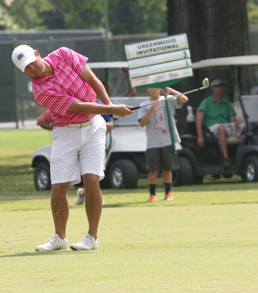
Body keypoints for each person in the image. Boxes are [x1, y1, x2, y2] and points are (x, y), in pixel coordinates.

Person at [11, 44, 132, 252]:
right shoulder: (40, 92)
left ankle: (92, 238)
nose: (32, 69)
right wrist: (112, 109)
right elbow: (78, 106)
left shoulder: (64, 54)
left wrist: (110, 110)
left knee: (91, 179)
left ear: (37, 54)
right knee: (58, 187)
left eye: (32, 62)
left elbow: (92, 80)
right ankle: (60, 238)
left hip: (93, 127)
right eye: (26, 68)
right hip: (65, 132)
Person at [138, 87, 188, 202]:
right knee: (153, 170)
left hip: (167, 140)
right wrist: (150, 111)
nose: (154, 90)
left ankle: (168, 193)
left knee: (167, 168)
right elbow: (142, 123)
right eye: (152, 88)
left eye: (156, 87)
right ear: (147, 89)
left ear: (160, 88)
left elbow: (184, 99)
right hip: (153, 142)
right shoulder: (144, 104)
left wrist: (172, 91)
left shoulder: (167, 99)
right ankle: (152, 194)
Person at [196, 78, 245, 168]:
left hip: (226, 126)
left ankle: (248, 155)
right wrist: (200, 136)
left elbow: (232, 118)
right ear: (212, 88)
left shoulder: (226, 102)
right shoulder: (206, 102)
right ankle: (226, 158)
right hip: (211, 129)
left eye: (222, 85)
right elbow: (199, 119)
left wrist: (236, 125)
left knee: (247, 126)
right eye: (218, 86)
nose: (221, 87)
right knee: (221, 127)